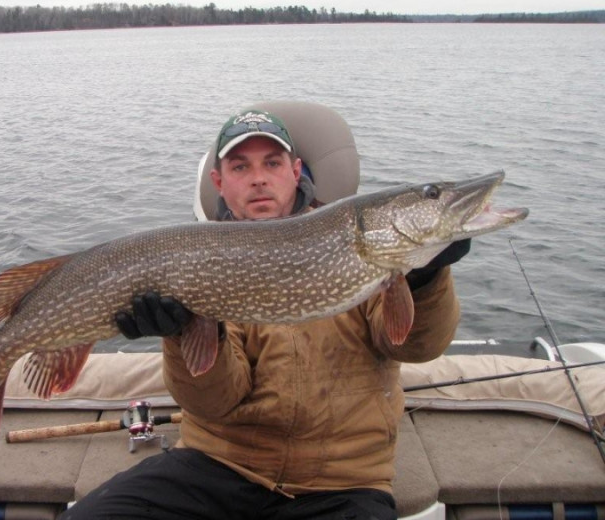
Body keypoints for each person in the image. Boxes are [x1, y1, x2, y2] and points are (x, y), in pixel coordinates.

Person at [59, 109, 468, 520]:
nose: (259, 178)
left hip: (342, 482)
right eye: (241, 166)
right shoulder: (201, 258)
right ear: (219, 182)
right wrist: (183, 332)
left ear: (295, 171)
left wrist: (426, 277)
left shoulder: (358, 243)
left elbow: (417, 346)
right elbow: (217, 402)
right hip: (217, 465)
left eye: (272, 163)